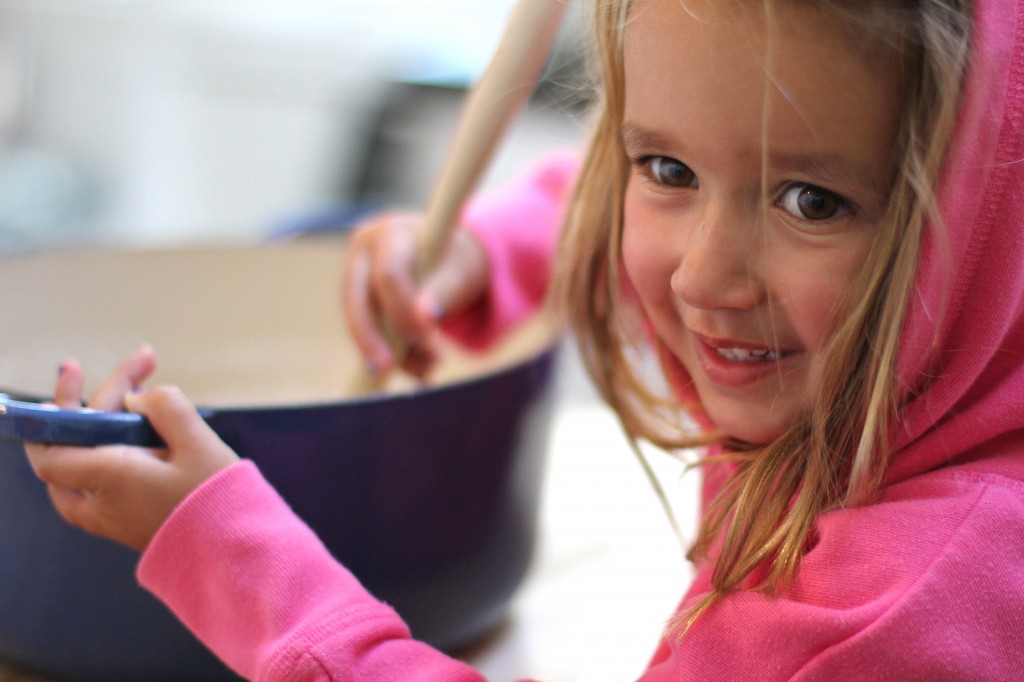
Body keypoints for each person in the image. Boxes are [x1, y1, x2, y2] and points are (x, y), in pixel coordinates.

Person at [24, 0, 1024, 677]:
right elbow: (589, 206)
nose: (700, 277)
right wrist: (476, 254)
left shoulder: (896, 604)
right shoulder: (936, 340)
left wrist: (236, 560)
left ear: (982, 214)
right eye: (666, 168)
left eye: (811, 198)